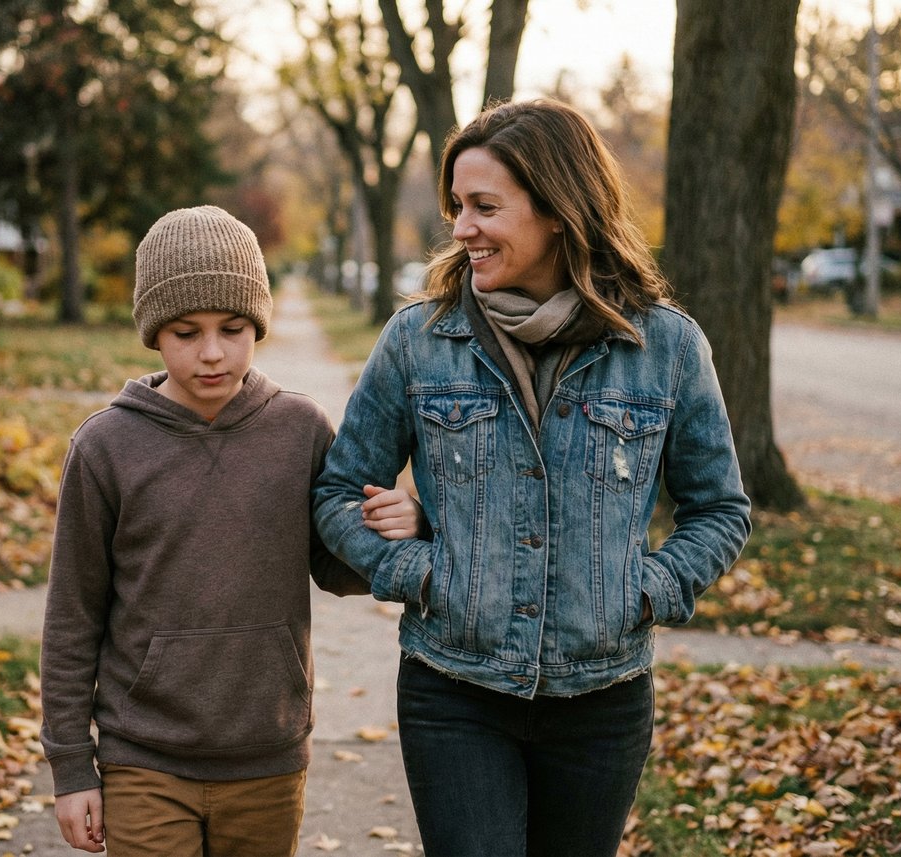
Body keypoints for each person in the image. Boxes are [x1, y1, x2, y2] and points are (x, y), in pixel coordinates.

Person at [313, 99, 752, 857]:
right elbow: (337, 491)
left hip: (604, 700)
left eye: (485, 206)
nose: (460, 228)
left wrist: (646, 588)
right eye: (457, 206)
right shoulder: (420, 341)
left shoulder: (665, 347)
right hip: (454, 690)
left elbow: (719, 508)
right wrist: (418, 570)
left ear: (558, 208)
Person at [40, 205, 423, 857]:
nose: (212, 352)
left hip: (267, 756)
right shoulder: (106, 446)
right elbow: (73, 617)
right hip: (144, 757)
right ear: (153, 333)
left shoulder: (299, 429)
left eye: (233, 327)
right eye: (186, 331)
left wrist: (400, 528)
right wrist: (73, 768)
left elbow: (334, 566)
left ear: (259, 325)